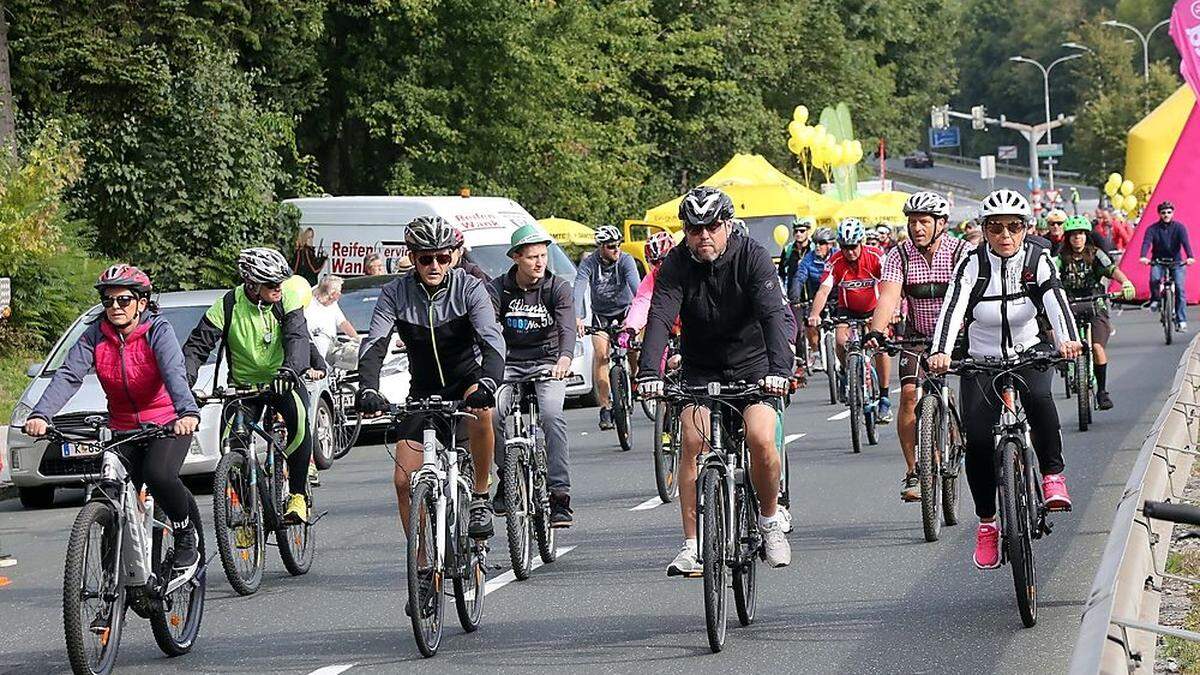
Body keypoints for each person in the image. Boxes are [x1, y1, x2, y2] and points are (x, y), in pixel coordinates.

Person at [635, 186, 793, 575]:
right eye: (694, 229)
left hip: (754, 366)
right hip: (700, 368)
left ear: (727, 225)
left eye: (712, 226)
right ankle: (692, 545)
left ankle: (770, 520)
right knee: (692, 440)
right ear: (685, 232)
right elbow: (658, 317)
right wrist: (647, 373)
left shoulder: (752, 257)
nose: (703, 235)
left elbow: (774, 315)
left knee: (759, 437)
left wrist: (780, 372)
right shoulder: (675, 265)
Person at [928, 189, 1082, 570]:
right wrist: (941, 350)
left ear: (1026, 229)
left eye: (1014, 227)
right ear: (984, 230)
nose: (1005, 235)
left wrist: (1067, 341)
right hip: (982, 360)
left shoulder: (1037, 259)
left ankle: (1051, 476)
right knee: (978, 441)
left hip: (1029, 352)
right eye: (995, 227)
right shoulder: (971, 264)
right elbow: (953, 307)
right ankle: (986, 524)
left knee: (1042, 403)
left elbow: (1055, 301)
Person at [27, 266, 202, 574]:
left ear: (142, 302)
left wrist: (187, 412)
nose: (115, 308)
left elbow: (174, 372)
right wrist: (41, 414)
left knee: (158, 475)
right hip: (123, 426)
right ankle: (111, 591)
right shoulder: (95, 334)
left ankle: (185, 533)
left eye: (123, 300)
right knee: (109, 495)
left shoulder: (157, 331)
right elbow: (68, 375)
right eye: (108, 301)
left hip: (165, 422)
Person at [356, 216, 506, 540]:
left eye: (442, 257)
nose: (435, 265)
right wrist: (368, 388)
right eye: (426, 258)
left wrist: (489, 383)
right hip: (422, 391)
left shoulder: (469, 287)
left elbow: (492, 340)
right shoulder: (395, 293)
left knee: (483, 413)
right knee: (402, 481)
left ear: (453, 255)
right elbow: (375, 344)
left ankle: (480, 496)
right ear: (413, 258)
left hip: (466, 380)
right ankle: (423, 565)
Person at [183, 247, 319, 524]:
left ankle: (297, 496)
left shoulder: (287, 299)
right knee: (231, 446)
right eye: (271, 284)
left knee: (301, 425)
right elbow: (196, 348)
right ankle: (247, 512)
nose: (278, 288)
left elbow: (297, 337)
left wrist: (290, 370)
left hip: (283, 380)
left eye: (280, 282)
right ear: (251, 283)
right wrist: (185, 385)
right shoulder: (228, 305)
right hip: (243, 387)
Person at [864, 191, 973, 502]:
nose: (917, 228)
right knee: (910, 396)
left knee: (974, 394)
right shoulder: (899, 255)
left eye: (924, 221)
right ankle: (913, 471)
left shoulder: (961, 251)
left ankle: (962, 435)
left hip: (958, 337)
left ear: (941, 223)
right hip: (917, 336)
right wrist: (876, 330)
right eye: (912, 222)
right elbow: (888, 297)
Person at [490, 225, 577, 526]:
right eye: (531, 257)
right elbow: (487, 329)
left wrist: (565, 358)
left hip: (548, 362)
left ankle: (560, 496)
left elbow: (567, 327)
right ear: (516, 258)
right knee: (492, 414)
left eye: (543, 255)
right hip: (509, 362)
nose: (540, 262)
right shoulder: (498, 288)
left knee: (552, 415)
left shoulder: (558, 288)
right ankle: (507, 478)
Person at [807, 218, 893, 422]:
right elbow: (824, 290)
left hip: (874, 308)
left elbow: (891, 284)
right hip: (847, 309)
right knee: (840, 341)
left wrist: (894, 310)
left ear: (861, 242)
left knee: (880, 347)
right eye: (845, 247)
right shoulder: (835, 261)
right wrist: (815, 314)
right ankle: (848, 375)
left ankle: (884, 396)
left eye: (853, 247)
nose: (850, 252)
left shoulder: (876, 255)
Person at [1055, 216, 1136, 410]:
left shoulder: (1096, 254)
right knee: (1058, 337)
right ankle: (1065, 364)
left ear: (1086, 236)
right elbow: (1050, 275)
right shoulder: (1060, 257)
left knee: (1098, 348)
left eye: (1081, 234)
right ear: (1068, 238)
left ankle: (1102, 391)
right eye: (1073, 235)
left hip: (1094, 303)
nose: (1077, 238)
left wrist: (1125, 282)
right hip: (1070, 304)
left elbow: (1112, 269)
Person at [573, 225, 640, 430]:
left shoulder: (626, 260)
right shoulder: (589, 263)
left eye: (618, 245)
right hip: (601, 315)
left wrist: (637, 319)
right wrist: (577, 317)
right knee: (601, 356)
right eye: (611, 247)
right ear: (600, 247)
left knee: (633, 349)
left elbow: (636, 288)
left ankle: (635, 379)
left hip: (625, 312)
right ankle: (605, 407)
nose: (616, 250)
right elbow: (579, 288)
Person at [618, 231, 678, 373]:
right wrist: (631, 328)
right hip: (667, 328)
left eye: (664, 260)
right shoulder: (651, 279)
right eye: (655, 262)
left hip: (690, 326)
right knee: (654, 365)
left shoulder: (688, 270)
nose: (660, 266)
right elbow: (642, 303)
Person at [1140, 200, 1194, 331]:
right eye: (1163, 212)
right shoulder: (1152, 229)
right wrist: (1143, 256)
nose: (1166, 215)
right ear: (1159, 214)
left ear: (1173, 213)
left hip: (1176, 262)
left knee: (1180, 289)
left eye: (1169, 212)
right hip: (1158, 260)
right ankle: (1156, 299)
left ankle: (1181, 320)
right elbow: (1146, 242)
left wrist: (1190, 256)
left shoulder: (1179, 228)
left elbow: (1185, 243)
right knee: (1154, 279)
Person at [797, 228, 836, 368]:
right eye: (816, 243)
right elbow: (799, 278)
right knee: (810, 322)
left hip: (836, 295)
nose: (818, 246)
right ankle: (816, 352)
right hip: (817, 295)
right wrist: (795, 296)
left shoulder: (837, 256)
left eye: (822, 243)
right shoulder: (808, 259)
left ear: (830, 244)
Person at [305, 275, 360, 359]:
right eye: (338, 293)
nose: (339, 296)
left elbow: (342, 323)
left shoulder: (332, 303)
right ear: (331, 294)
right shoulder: (307, 303)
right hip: (311, 355)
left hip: (329, 354)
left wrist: (357, 339)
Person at [778, 216, 814, 304]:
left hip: (813, 297)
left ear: (808, 232)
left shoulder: (814, 248)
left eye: (802, 231)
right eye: (796, 231)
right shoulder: (788, 250)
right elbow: (781, 274)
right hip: (794, 299)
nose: (798, 234)